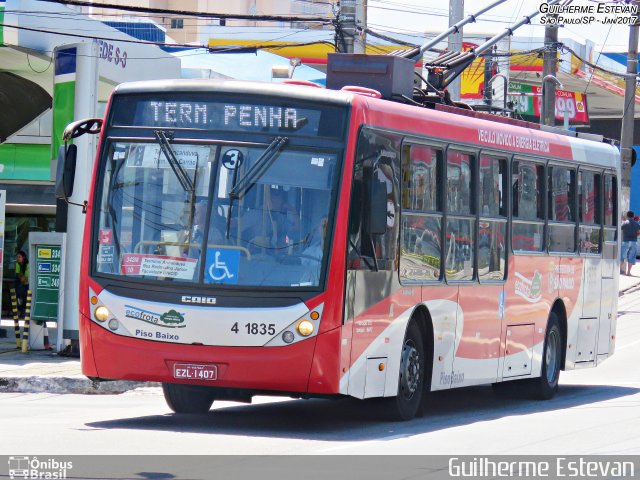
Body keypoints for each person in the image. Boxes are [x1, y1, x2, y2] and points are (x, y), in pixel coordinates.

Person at [620, 210, 640, 275]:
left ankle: (621, 271)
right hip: (634, 241)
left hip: (625, 241)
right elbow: (638, 232)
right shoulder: (637, 224)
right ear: (633, 216)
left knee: (622, 256)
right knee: (631, 257)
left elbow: (621, 228)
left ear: (627, 216)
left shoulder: (625, 223)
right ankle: (628, 272)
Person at [15, 251, 29, 318]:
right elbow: (18, 274)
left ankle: (22, 309)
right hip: (21, 283)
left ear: (23, 257)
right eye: (17, 257)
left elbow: (27, 277)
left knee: (24, 293)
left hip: (27, 283)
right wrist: (21, 277)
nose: (18, 258)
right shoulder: (17, 264)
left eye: (19, 257)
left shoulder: (27, 265)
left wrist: (23, 278)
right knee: (17, 291)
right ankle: (20, 309)